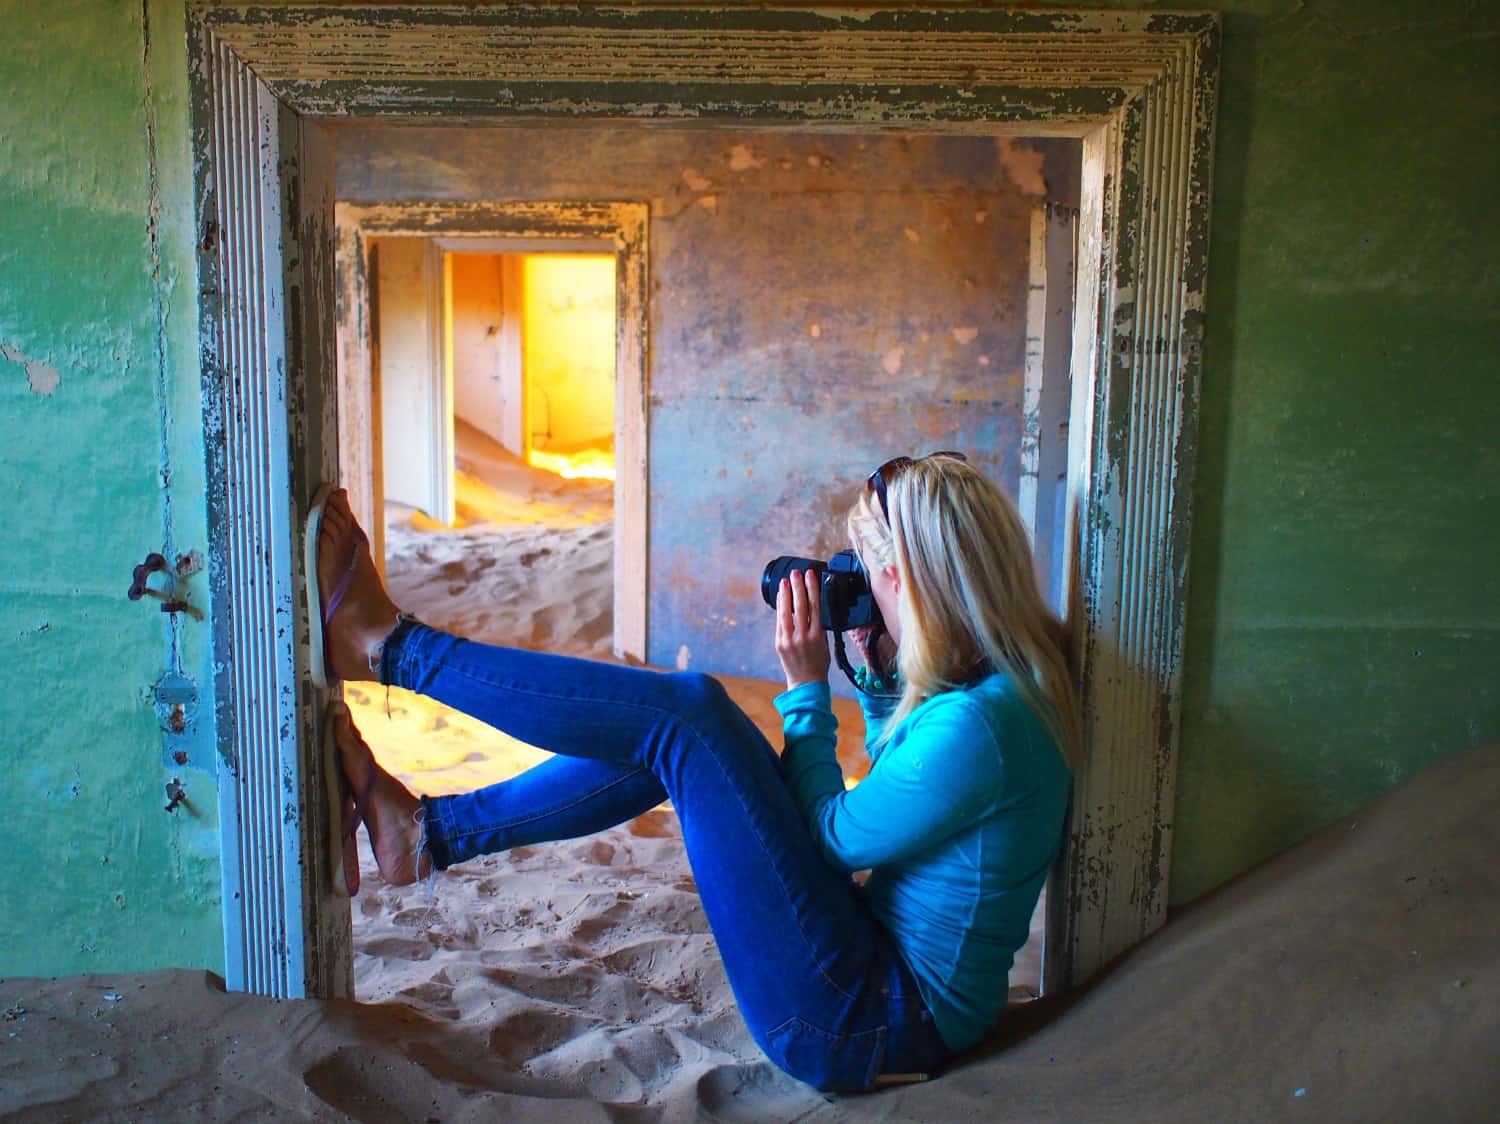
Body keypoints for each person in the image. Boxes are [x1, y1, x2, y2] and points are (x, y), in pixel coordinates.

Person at [311, 452, 1077, 1092]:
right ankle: (425, 832)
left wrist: (808, 694)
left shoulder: (984, 724)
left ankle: (391, 648)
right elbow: (903, 793)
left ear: (906, 581)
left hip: (862, 1022)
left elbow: (837, 838)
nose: (863, 592)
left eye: (873, 579)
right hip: (877, 986)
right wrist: (878, 686)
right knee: (690, 726)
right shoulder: (1003, 683)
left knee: (689, 717)